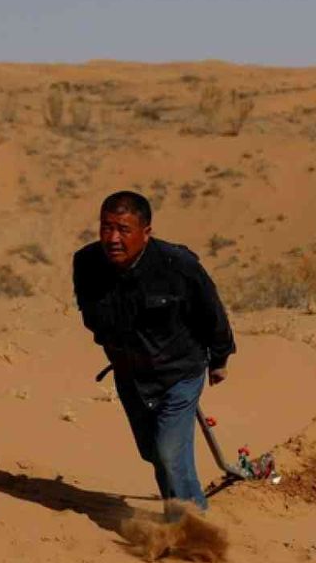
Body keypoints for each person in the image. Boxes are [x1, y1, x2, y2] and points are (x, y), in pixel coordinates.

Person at [73, 190, 235, 513]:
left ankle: (190, 526)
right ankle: (178, 506)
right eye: (106, 227)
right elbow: (91, 316)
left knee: (170, 452)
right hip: (130, 376)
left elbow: (211, 311)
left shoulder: (178, 265)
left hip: (179, 372)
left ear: (146, 232)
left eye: (123, 229)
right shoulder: (87, 263)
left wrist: (219, 358)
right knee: (153, 452)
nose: (113, 238)